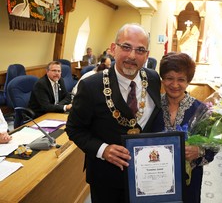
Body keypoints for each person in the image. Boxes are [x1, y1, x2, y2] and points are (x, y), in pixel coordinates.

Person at [65, 23, 161, 203]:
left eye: (140, 50)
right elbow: (74, 129)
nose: (132, 56)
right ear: (113, 48)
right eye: (126, 47)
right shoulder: (91, 86)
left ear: (147, 55)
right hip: (106, 177)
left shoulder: (154, 79)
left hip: (146, 174)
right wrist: (103, 150)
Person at [152, 52, 217, 203]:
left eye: (181, 79)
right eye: (169, 78)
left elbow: (213, 146)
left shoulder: (201, 109)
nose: (175, 85)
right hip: (155, 176)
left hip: (190, 179)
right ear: (162, 80)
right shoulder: (152, 106)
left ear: (188, 81)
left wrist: (199, 151)